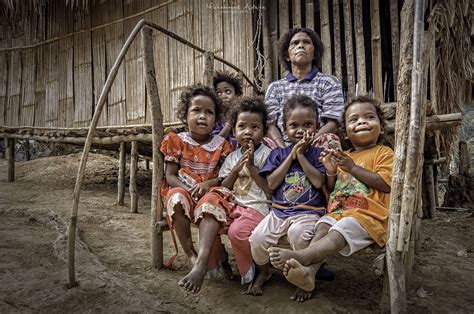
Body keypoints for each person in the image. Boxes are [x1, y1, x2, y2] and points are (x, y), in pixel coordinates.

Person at [268, 96, 394, 302]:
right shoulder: (342, 155)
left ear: (381, 128)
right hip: (337, 212)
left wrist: (352, 167)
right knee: (322, 227)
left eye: (369, 117)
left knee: (338, 230)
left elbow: (386, 184)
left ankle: (301, 256)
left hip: (368, 216)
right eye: (354, 120)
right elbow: (333, 188)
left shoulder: (383, 153)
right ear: (345, 132)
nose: (361, 122)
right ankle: (309, 273)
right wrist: (331, 171)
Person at [248, 95, 327, 300]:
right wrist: (291, 155)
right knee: (257, 238)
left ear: (317, 127)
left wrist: (301, 156)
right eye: (294, 125)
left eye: (308, 124)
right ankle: (264, 271)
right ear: (284, 128)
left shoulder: (319, 154)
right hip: (279, 211)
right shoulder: (278, 154)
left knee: (299, 234)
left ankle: (304, 276)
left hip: (309, 213)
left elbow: (318, 182)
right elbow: (272, 184)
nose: (301, 130)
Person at [160, 83, 233, 294]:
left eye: (209, 112)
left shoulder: (222, 145)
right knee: (175, 197)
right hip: (183, 191)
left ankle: (201, 264)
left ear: (216, 118)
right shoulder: (176, 140)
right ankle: (191, 254)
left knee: (211, 201)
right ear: (185, 114)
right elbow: (170, 176)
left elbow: (224, 176)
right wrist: (187, 190)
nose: (203, 116)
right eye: (196, 110)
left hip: (209, 194)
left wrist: (208, 184)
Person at [199, 96, 273, 289]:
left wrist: (252, 167)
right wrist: (237, 168)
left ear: (264, 131)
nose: (248, 132)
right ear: (234, 131)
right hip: (234, 206)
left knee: (237, 232)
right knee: (210, 225)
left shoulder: (268, 155)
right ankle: (219, 261)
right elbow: (226, 186)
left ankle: (260, 269)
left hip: (258, 206)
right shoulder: (232, 156)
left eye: (255, 127)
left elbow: (270, 190)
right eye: (242, 127)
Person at [265, 28, 344, 148]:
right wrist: (284, 150)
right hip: (283, 145)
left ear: (314, 54)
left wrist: (307, 144)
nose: (301, 45)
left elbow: (333, 122)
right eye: (295, 43)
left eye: (306, 42)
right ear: (287, 56)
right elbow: (271, 125)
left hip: (316, 143)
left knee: (330, 139)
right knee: (264, 142)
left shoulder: (328, 82)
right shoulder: (275, 88)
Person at [212, 70, 243, 148]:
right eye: (218, 93)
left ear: (236, 95)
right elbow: (214, 143)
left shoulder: (241, 114)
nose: (223, 96)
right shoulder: (214, 117)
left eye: (228, 92)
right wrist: (228, 123)